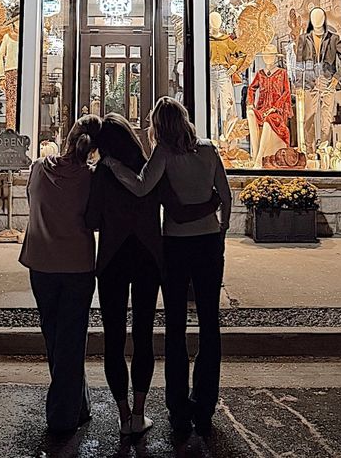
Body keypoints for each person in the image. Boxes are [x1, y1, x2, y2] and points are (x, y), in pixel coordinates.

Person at [104, 97, 232, 438]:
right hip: (207, 242)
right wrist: (222, 230)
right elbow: (226, 194)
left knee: (175, 326)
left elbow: (143, 186)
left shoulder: (163, 153)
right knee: (209, 324)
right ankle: (204, 405)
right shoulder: (208, 150)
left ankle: (178, 409)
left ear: (159, 125)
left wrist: (116, 168)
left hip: (176, 244)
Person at [19, 114, 101, 436]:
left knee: (54, 336)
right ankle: (62, 416)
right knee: (71, 338)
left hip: (41, 262)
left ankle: (75, 406)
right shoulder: (91, 178)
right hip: (77, 265)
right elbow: (95, 221)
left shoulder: (39, 167)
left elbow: (31, 201)